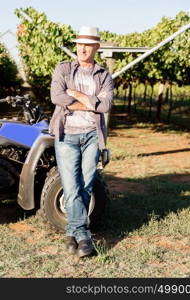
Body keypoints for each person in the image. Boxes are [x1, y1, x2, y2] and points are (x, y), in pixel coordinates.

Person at [49, 26, 114, 258]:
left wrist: (75, 95)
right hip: (67, 134)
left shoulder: (104, 75)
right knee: (71, 187)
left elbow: (105, 106)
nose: (82, 48)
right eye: (79, 44)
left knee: (86, 185)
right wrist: (90, 102)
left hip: (91, 136)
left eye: (88, 44)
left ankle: (72, 232)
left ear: (97, 47)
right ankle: (83, 236)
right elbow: (57, 97)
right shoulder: (64, 68)